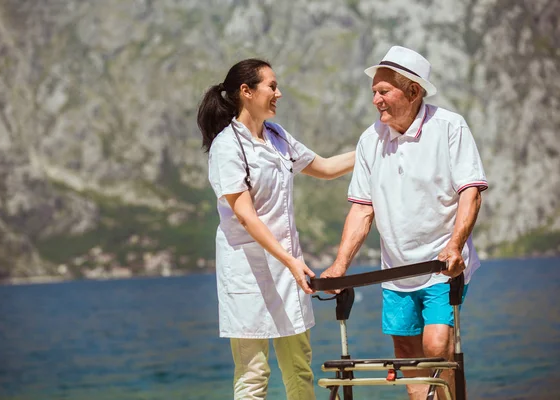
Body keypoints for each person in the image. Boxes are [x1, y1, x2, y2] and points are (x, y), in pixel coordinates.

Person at [320, 46, 488, 400]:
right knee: (408, 356)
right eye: (374, 93)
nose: (376, 100)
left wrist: (455, 245)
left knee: (437, 344)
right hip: (395, 269)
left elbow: (470, 192)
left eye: (384, 92)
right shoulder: (370, 140)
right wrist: (340, 265)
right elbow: (362, 210)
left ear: (413, 91)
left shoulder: (449, 127)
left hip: (441, 265)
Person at [197, 58, 354, 400]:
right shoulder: (227, 147)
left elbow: (325, 168)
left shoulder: (278, 136)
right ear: (246, 91)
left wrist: (374, 147)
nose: (278, 93)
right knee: (253, 377)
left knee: (299, 369)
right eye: (271, 86)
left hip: (288, 272)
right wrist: (291, 261)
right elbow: (246, 216)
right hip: (249, 273)